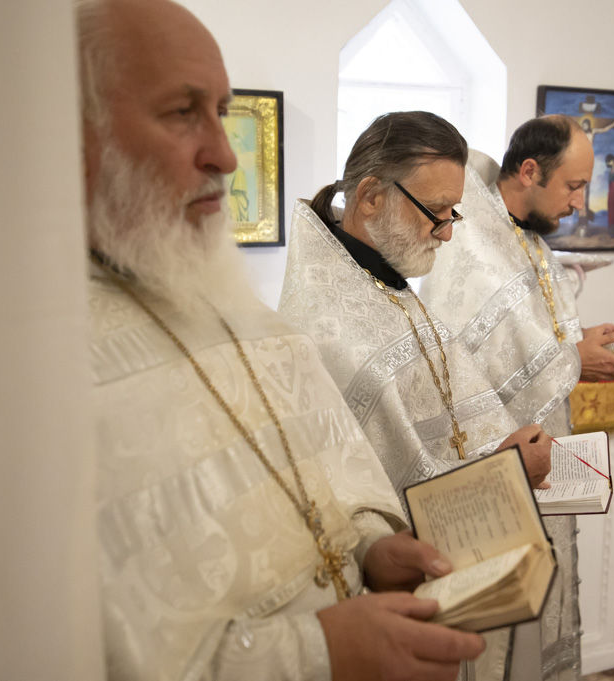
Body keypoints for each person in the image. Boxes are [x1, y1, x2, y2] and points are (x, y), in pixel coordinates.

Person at [76, 2, 488, 680]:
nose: (226, 154)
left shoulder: (246, 319)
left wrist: (370, 548)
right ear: (74, 131)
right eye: (182, 111)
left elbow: (318, 482)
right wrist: (317, 650)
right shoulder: (44, 366)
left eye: (220, 112)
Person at [277, 111, 569, 681]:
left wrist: (502, 453)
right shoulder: (325, 328)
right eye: (436, 211)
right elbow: (368, 503)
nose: (448, 231)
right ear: (370, 197)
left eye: (452, 211)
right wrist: (505, 472)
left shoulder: (384, 281)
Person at [420, 115, 614, 440]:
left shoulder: (530, 239)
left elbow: (521, 335)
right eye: (573, 186)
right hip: (489, 447)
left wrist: (579, 339)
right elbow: (455, 362)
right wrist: (573, 361)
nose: (580, 203)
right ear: (529, 172)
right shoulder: (466, 242)